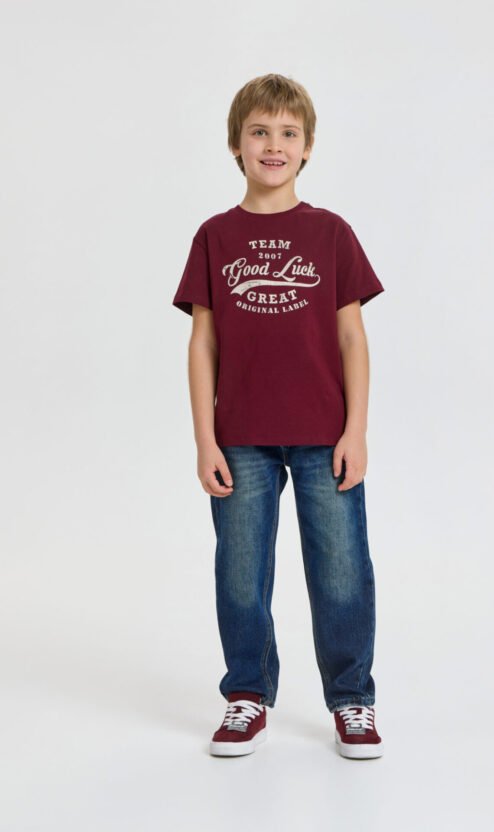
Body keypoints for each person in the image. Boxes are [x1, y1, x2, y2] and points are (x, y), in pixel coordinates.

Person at [172, 73, 385, 759]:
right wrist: (204, 439)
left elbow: (352, 337)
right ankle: (246, 693)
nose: (273, 144)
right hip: (239, 438)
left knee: (341, 573)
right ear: (235, 144)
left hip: (325, 435)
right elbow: (202, 343)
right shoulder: (215, 236)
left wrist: (355, 430)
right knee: (240, 575)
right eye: (259, 131)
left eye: (288, 133)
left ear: (308, 147)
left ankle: (351, 700)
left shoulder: (330, 233)